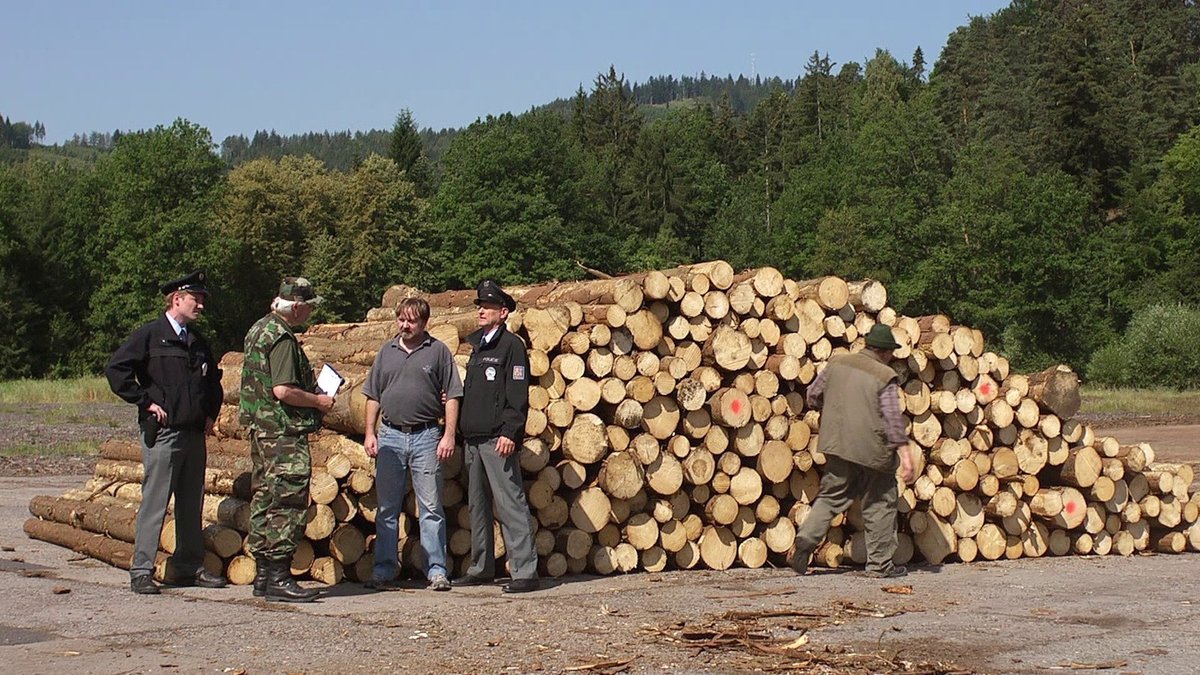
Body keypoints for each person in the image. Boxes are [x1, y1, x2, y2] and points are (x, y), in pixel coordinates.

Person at [105, 270, 227, 595]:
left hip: (193, 434)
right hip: (163, 434)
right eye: (195, 299)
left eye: (201, 300)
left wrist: (210, 415)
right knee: (155, 502)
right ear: (177, 299)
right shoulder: (150, 336)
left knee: (191, 503)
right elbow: (116, 370)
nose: (200, 305)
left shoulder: (197, 342)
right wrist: (144, 402)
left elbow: (213, 381)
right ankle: (141, 570)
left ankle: (189, 566)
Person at [791, 323, 916, 579]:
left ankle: (805, 540)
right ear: (885, 351)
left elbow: (812, 395)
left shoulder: (838, 363)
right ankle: (880, 565)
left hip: (837, 444)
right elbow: (893, 420)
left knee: (830, 497)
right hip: (872, 451)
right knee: (880, 502)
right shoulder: (885, 375)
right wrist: (905, 456)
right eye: (891, 351)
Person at [239, 277, 334, 602]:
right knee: (287, 500)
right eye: (308, 307)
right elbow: (283, 390)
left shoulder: (259, 329)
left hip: (262, 431)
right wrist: (318, 401)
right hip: (282, 433)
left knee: (265, 498)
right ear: (296, 306)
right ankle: (278, 576)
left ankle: (264, 575)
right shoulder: (281, 337)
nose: (309, 312)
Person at [362, 297, 462, 592]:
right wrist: (370, 432)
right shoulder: (386, 352)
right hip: (390, 435)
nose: (404, 326)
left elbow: (453, 395)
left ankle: (436, 570)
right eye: (401, 319)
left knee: (431, 507)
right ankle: (384, 570)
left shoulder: (439, 353)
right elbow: (373, 395)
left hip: (426, 436)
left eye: (411, 321)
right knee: (387, 508)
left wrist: (449, 435)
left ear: (424, 323)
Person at [451, 280, 539, 593]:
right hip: (473, 439)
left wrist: (510, 431)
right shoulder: (478, 345)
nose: (481, 312)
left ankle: (525, 571)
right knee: (478, 507)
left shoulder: (511, 346)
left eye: (487, 307)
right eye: (479, 307)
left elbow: (517, 393)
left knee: (510, 503)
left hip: (496, 440)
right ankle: (481, 566)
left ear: (503, 313)